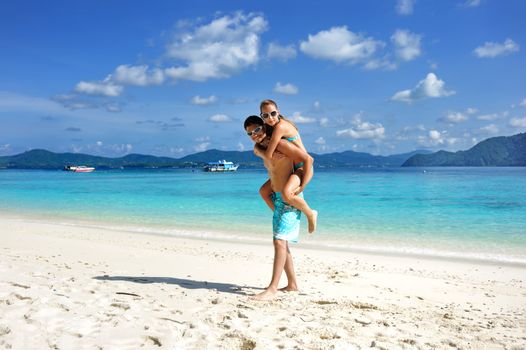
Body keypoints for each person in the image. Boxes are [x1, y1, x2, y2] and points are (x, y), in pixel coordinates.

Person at [244, 115, 313, 300]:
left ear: (265, 127)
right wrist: (260, 150)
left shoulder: (281, 144)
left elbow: (307, 160)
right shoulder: (260, 148)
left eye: (257, 129)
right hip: (278, 197)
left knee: (279, 242)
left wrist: (300, 187)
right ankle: (292, 285)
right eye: (250, 133)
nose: (254, 134)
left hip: (290, 197)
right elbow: (260, 153)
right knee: (282, 241)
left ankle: (272, 288)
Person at [257, 99, 317, 233]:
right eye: (265, 115)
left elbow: (268, 155)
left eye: (272, 113)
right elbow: (261, 145)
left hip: (304, 167)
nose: (270, 118)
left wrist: (302, 186)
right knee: (264, 191)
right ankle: (280, 214)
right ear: (261, 116)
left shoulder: (280, 127)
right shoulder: (272, 127)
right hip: (293, 169)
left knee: (286, 194)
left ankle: (310, 213)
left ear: (278, 112)